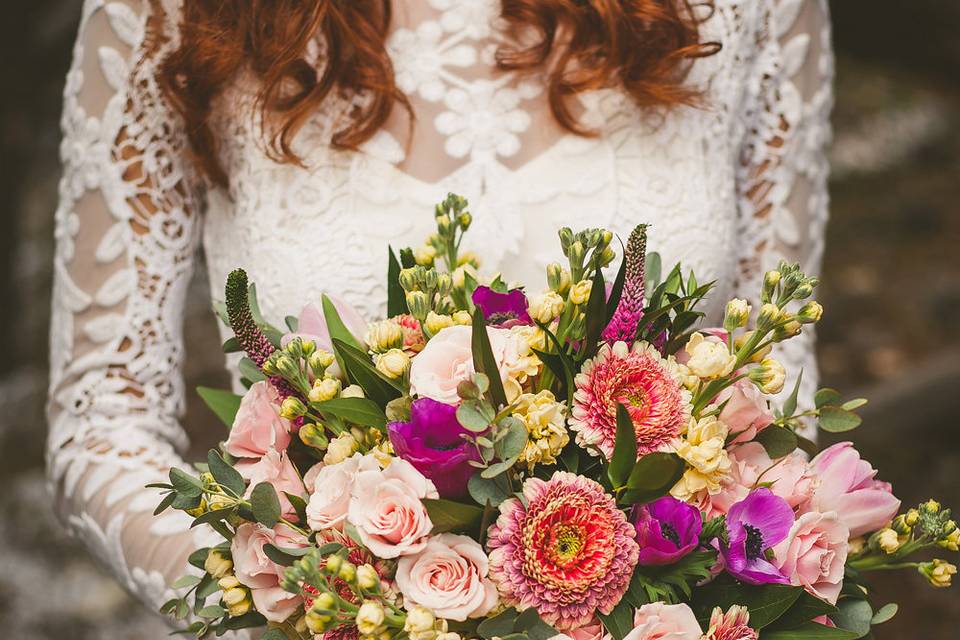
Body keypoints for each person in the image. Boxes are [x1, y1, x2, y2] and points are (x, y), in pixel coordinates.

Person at [47, 0, 832, 630]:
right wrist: (294, 601)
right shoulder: (179, 15)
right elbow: (101, 418)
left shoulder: (748, 11)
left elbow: (777, 373)